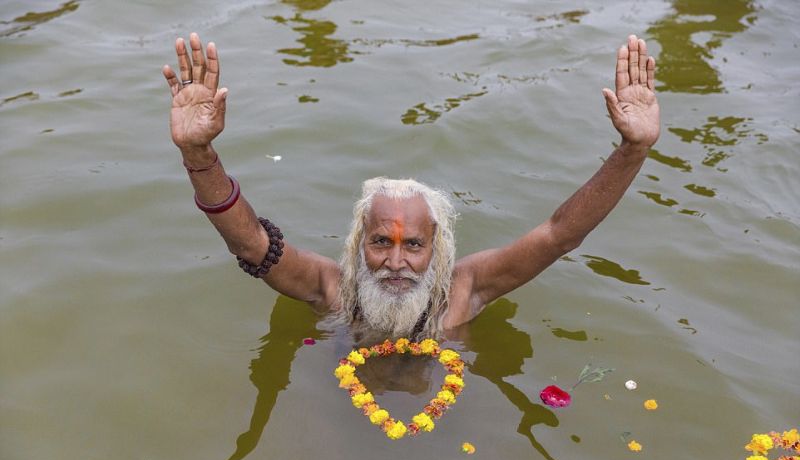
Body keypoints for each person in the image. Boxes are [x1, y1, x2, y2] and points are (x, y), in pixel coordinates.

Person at [162, 33, 660, 341]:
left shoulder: (465, 290)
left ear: (437, 249)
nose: (396, 261)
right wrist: (198, 155)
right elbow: (251, 243)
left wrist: (631, 151)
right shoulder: (330, 290)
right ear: (359, 243)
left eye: (414, 244)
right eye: (381, 241)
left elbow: (559, 235)